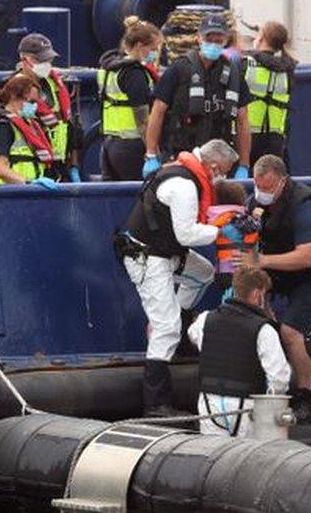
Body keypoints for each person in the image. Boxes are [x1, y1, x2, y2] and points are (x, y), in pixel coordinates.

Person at [117, 139, 239, 416]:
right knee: (165, 328)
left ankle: (180, 329)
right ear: (214, 166)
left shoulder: (182, 171)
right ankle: (156, 403)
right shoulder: (184, 186)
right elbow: (186, 234)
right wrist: (221, 232)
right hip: (149, 258)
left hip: (166, 251)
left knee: (203, 273)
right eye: (226, 171)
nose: (226, 177)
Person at [238, 154, 311, 423]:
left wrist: (260, 261)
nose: (261, 193)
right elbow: (249, 243)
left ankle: (306, 398)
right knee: (257, 314)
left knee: (291, 331)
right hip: (280, 270)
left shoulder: (305, 205)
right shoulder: (255, 204)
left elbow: (306, 256)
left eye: (268, 188)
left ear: (283, 181)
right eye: (257, 187)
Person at [145, 13, 252, 179]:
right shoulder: (179, 69)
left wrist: (244, 165)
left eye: (219, 40)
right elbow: (158, 111)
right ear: (199, 39)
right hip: (181, 155)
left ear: (226, 41)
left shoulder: (233, 74)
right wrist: (151, 155)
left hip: (217, 161)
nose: (214, 44)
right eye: (209, 39)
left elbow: (242, 120)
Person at [187, 266, 290, 437]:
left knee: (213, 460)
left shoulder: (206, 318)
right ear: (258, 294)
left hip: (208, 402)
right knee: (247, 461)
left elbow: (193, 336)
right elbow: (279, 377)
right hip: (245, 407)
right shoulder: (263, 329)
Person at [98, 17, 163, 181]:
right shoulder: (134, 73)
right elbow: (142, 120)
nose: (155, 53)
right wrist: (153, 153)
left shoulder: (110, 68)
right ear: (140, 46)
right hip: (131, 147)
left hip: (109, 144)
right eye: (153, 48)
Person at [14, 33, 81, 182]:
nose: (46, 64)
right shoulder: (15, 89)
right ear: (25, 59)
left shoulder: (53, 83)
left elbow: (67, 125)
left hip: (60, 164)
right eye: (41, 60)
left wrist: (73, 165)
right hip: (38, 165)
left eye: (48, 59)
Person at [0, 75, 58, 189]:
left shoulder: (30, 124)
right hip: (6, 197)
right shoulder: (1, 126)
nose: (35, 106)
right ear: (14, 97)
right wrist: (28, 183)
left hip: (29, 196)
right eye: (31, 101)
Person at [243, 21, 297, 166]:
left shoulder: (247, 63)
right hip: (276, 140)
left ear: (260, 38)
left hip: (248, 137)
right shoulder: (288, 69)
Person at [208, 180, 261, 292]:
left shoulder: (216, 219)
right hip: (245, 270)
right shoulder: (242, 220)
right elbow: (254, 224)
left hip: (224, 271)